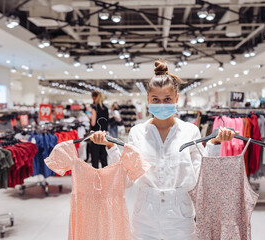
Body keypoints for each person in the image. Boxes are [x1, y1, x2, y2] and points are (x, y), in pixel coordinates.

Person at [90, 60, 235, 239]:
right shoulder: (138, 132)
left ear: (176, 98)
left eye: (167, 99)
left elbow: (203, 179)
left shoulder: (190, 132)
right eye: (156, 99)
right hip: (145, 218)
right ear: (148, 100)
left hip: (180, 218)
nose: (162, 104)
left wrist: (215, 145)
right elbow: (126, 180)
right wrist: (111, 148)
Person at [90, 91, 109, 169]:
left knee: (95, 157)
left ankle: (96, 177)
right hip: (104, 134)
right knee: (103, 156)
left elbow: (93, 123)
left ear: (94, 97)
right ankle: (106, 176)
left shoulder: (95, 108)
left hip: (95, 135)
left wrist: (90, 117)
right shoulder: (106, 108)